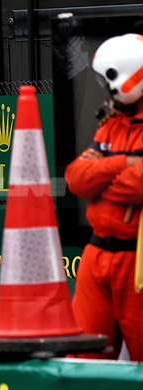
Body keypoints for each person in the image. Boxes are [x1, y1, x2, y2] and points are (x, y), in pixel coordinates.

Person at [65, 33, 143, 360]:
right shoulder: (110, 126)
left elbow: (137, 185)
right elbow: (76, 179)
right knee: (83, 359)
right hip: (96, 257)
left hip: (136, 263)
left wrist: (102, 178)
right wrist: (124, 163)